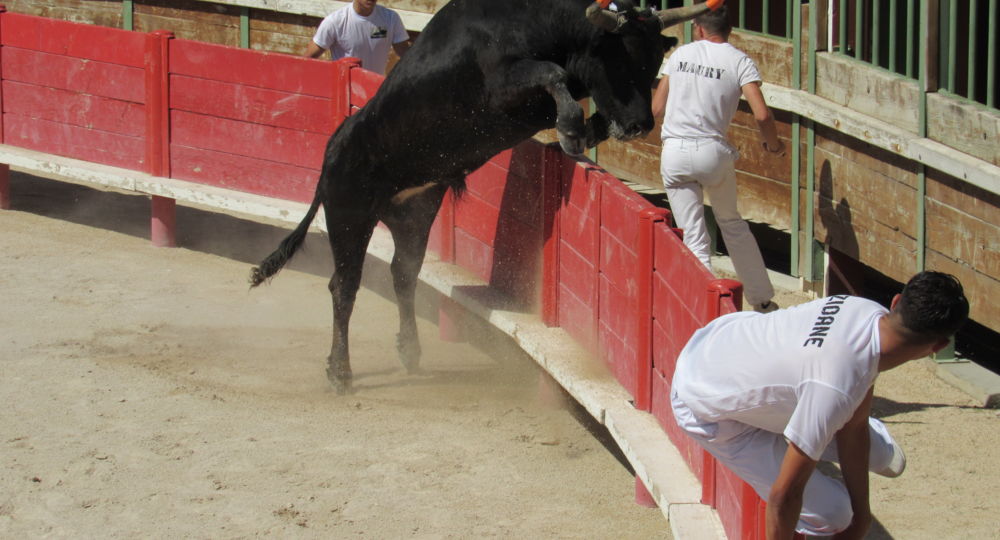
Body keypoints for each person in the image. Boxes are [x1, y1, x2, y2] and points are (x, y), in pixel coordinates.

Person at [670, 271, 969, 539]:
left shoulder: (865, 310)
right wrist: (852, 520)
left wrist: (863, 519)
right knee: (835, 515)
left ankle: (808, 427)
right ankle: (805, 429)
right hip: (706, 406)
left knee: (881, 457)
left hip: (725, 345)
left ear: (895, 301)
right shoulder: (836, 385)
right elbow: (783, 498)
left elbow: (853, 428)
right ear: (939, 346)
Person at [651, 6, 783, 313]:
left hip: (675, 153)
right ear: (730, 30)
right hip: (713, 153)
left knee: (694, 240)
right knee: (732, 224)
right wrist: (773, 145)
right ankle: (762, 301)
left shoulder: (680, 55)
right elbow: (762, 114)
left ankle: (705, 309)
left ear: (697, 28)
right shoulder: (740, 61)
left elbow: (657, 109)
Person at [305, 0, 411, 75]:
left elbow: (406, 54)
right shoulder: (334, 21)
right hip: (345, 92)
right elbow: (308, 58)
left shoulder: (391, 18)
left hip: (375, 91)